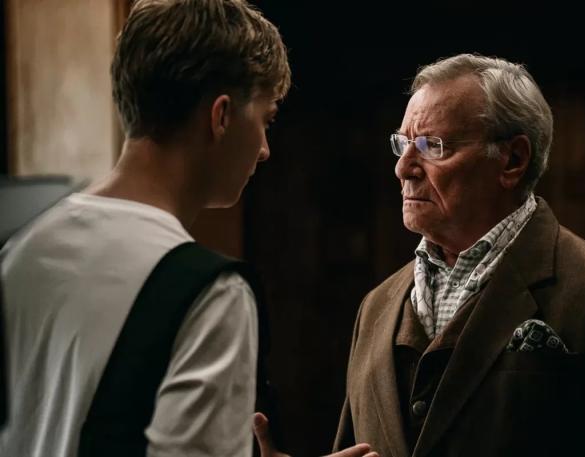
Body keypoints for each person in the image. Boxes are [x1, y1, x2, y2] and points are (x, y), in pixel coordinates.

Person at [0, 1, 375, 457]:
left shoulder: (20, 251)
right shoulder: (211, 296)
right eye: (266, 119)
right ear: (221, 116)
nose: (264, 149)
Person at [333, 54, 585, 456]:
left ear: (513, 160)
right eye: (402, 145)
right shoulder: (376, 306)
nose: (403, 169)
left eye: (431, 146)